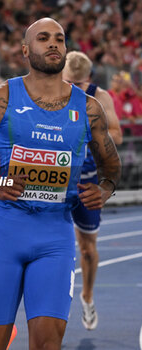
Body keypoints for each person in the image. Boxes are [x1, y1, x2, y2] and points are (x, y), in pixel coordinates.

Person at [0, 18, 121, 350]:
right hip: (5, 234)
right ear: (26, 50)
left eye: (59, 38)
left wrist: (104, 190)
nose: (53, 43)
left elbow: (111, 167)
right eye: (43, 38)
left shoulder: (89, 109)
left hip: (55, 238)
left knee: (47, 344)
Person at [62, 51, 123, 330]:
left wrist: (89, 131)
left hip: (87, 181)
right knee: (50, 244)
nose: (72, 88)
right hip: (55, 181)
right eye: (68, 83)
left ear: (87, 80)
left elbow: (118, 135)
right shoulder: (49, 90)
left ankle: (87, 296)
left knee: (87, 249)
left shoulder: (100, 97)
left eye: (78, 84)